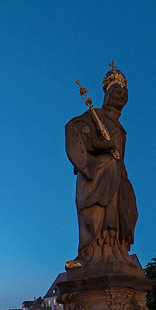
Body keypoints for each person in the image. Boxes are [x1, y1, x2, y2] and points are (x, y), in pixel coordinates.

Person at [64, 63, 138, 270]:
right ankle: (93, 255)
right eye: (117, 90)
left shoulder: (118, 126)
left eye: (125, 91)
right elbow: (76, 130)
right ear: (106, 93)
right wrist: (101, 144)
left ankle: (118, 252)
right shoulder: (95, 115)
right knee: (101, 211)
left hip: (118, 176)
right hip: (99, 174)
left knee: (130, 210)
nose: (122, 94)